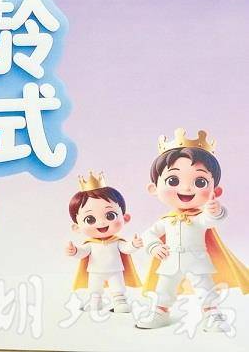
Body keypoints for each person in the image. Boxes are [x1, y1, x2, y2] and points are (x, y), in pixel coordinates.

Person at [136, 128, 249, 331]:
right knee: (164, 288)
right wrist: (153, 246)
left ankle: (212, 314)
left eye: (200, 182)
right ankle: (160, 312)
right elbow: (149, 233)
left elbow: (212, 220)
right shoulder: (166, 221)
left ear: (215, 190)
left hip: (198, 261)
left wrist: (215, 210)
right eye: (173, 180)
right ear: (154, 188)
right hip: (170, 261)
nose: (186, 188)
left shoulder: (200, 217)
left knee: (205, 288)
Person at [65, 171, 142, 313]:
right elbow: (83, 253)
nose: (101, 223)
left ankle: (120, 301)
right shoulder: (90, 244)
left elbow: (125, 248)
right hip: (95, 271)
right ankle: (95, 302)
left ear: (125, 218)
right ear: (77, 227)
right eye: (90, 219)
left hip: (115, 270)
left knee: (117, 287)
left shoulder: (116, 242)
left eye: (110, 215)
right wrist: (75, 251)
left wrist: (133, 245)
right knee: (94, 288)